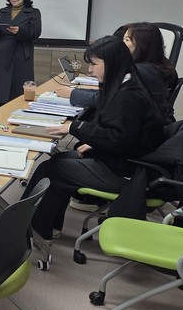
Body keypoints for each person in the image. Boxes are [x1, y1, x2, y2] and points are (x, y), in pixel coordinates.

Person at [22, 35, 164, 243]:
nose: (90, 70)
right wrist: (93, 139)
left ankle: (33, 229)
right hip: (127, 161)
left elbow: (118, 139)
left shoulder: (127, 95)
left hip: (126, 172)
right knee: (58, 161)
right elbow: (123, 133)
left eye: (94, 64)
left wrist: (75, 126)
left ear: (112, 63)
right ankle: (47, 227)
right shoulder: (128, 83)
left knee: (50, 170)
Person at [57, 22, 178, 123]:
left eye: (126, 40)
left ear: (142, 45)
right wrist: (78, 91)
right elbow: (111, 93)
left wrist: (73, 94)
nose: (121, 43)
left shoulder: (140, 72)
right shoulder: (156, 66)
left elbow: (109, 98)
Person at [0, 0, 42, 104]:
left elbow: (36, 33)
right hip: (3, 51)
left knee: (19, 83)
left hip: (21, 52)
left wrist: (20, 31)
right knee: (1, 83)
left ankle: (18, 107)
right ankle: (1, 107)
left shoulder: (34, 12)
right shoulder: (2, 11)